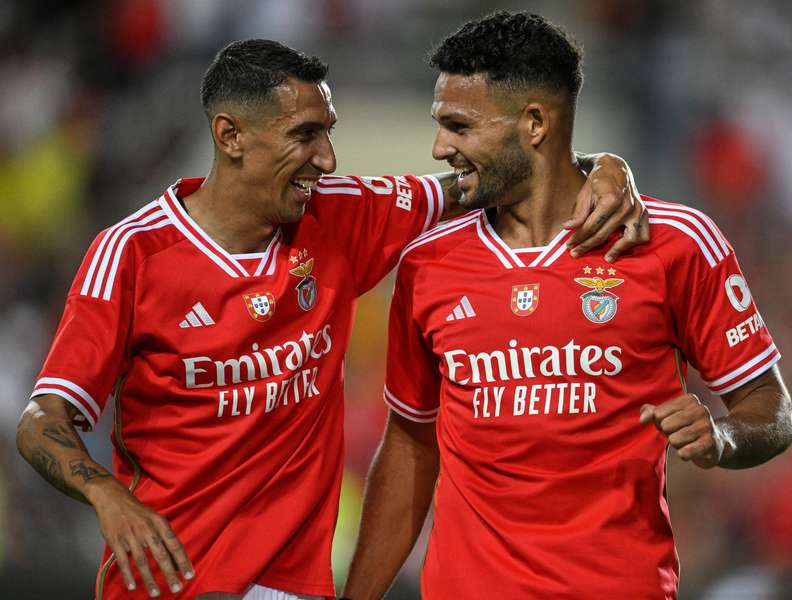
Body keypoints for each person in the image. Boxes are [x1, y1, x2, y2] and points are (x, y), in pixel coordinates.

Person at [14, 39, 647, 600]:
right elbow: (43, 421)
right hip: (167, 578)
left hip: (292, 580)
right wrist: (107, 497)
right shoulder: (132, 254)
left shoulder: (339, 216)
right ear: (231, 136)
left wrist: (601, 165)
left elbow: (493, 176)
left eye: (329, 132)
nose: (327, 159)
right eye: (305, 136)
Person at [341, 11, 792, 600]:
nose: (438, 146)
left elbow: (772, 409)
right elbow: (409, 444)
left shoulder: (674, 242)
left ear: (534, 123)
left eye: (459, 126)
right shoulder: (428, 264)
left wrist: (723, 437)